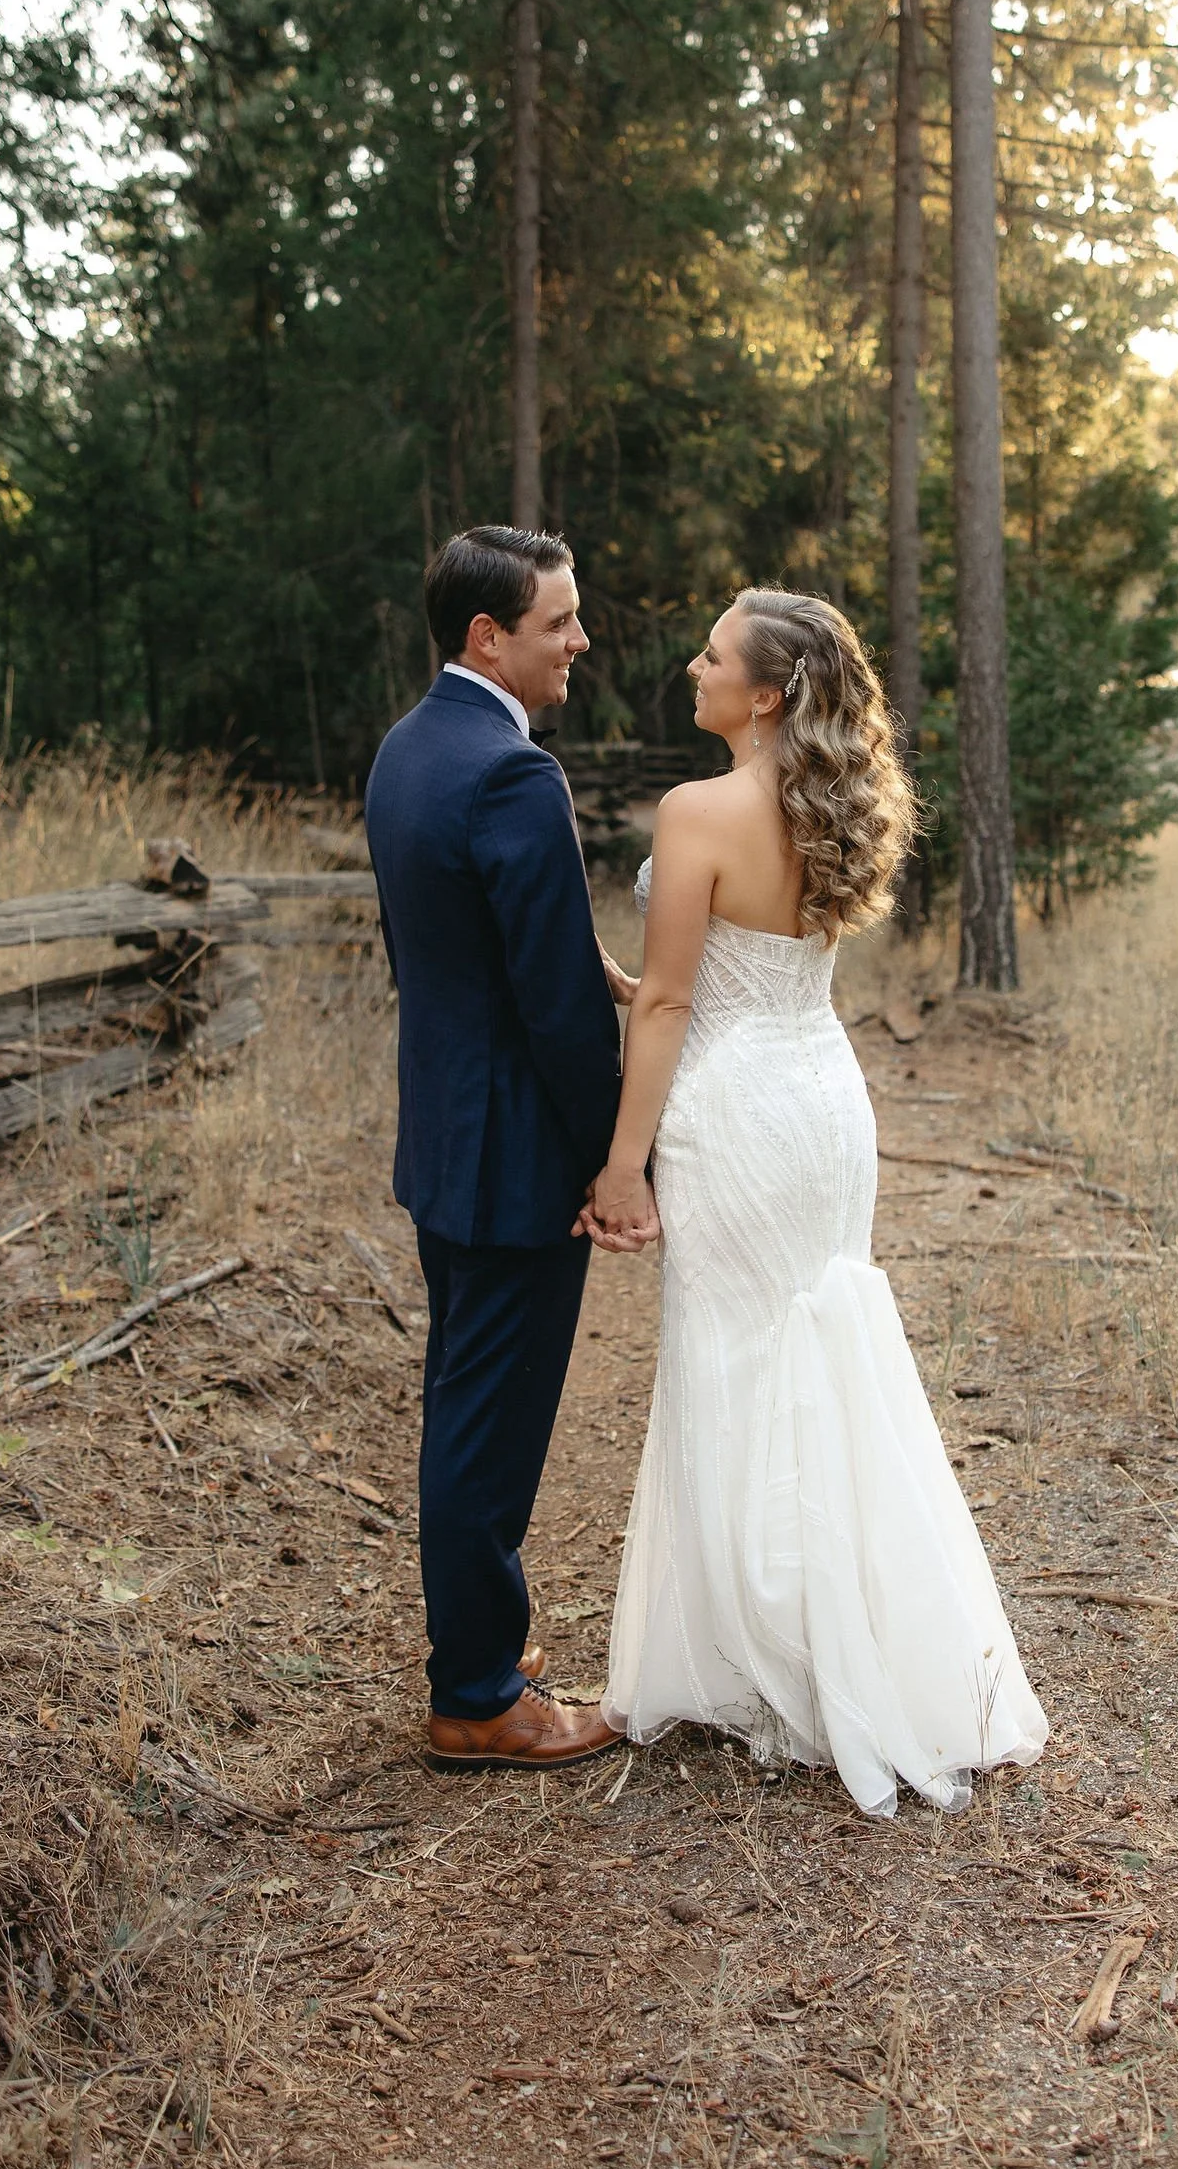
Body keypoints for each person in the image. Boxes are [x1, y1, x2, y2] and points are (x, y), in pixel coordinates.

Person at [586, 585, 1049, 1817]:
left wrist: (622, 1162)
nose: (692, 667)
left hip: (733, 1112)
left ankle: (776, 1660)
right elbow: (724, 977)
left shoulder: (698, 809)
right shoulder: (828, 802)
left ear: (767, 693)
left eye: (713, 656)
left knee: (736, 1360)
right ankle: (850, 1641)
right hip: (821, 1103)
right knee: (820, 1348)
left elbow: (684, 1009)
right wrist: (634, 986)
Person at [365, 526, 643, 1772]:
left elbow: (462, 942)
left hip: (444, 1139)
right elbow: (557, 1014)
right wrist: (614, 1154)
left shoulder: (411, 749)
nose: (578, 639)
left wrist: (580, 967)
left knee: (462, 1408)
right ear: (490, 636)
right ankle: (476, 1695)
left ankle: (484, 1645)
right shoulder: (513, 778)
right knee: (487, 1428)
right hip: (513, 1161)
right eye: (558, 622)